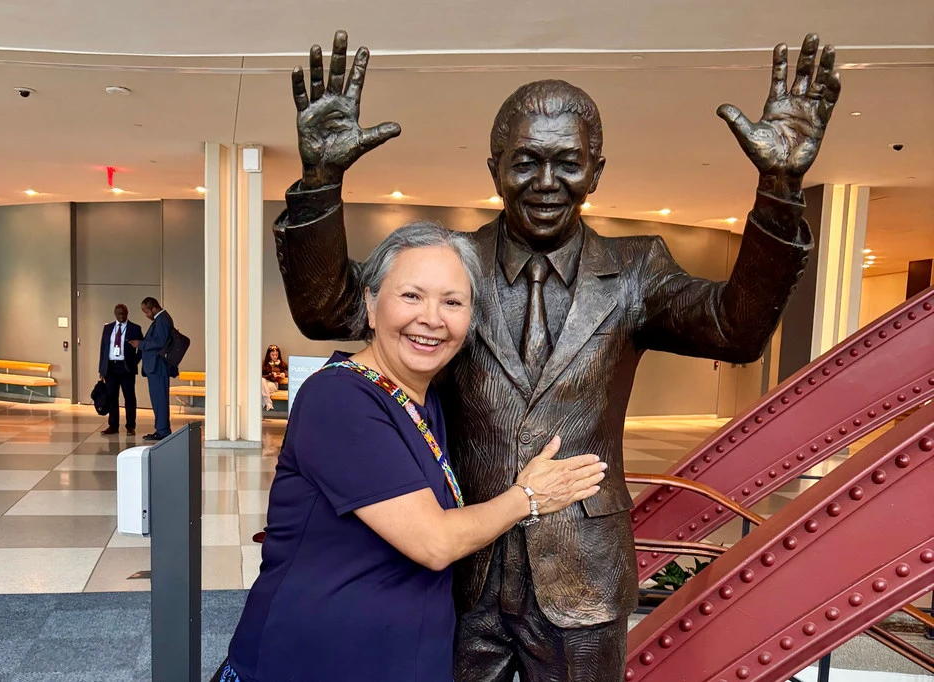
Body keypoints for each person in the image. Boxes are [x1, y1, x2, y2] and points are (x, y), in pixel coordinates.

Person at [274, 31, 840, 681]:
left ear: (596, 169)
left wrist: (780, 188)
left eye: (568, 162)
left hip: (583, 572)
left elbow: (735, 331)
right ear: (494, 166)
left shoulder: (636, 271)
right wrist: (320, 182)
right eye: (526, 160)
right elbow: (328, 309)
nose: (547, 181)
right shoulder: (450, 269)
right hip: (466, 570)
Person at [213, 222, 607, 682]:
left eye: (453, 302)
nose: (432, 319)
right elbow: (434, 542)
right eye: (412, 296)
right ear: (370, 305)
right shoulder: (338, 399)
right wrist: (530, 496)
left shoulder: (422, 400)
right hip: (316, 656)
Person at [130, 297, 176, 441]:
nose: (146, 315)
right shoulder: (161, 319)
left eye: (146, 311)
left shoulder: (162, 319)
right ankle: (160, 428)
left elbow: (160, 341)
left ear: (154, 308)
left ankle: (163, 430)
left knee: (160, 400)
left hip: (158, 367)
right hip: (155, 367)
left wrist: (140, 344)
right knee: (157, 400)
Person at [98, 304, 143, 437]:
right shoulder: (108, 328)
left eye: (124, 313)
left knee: (129, 397)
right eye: (119, 314)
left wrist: (135, 361)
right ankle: (113, 425)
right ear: (115, 314)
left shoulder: (135, 328)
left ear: (127, 313)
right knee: (112, 397)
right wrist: (101, 368)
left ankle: (130, 426)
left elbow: (141, 347)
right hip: (111, 367)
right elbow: (103, 348)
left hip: (126, 367)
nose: (122, 316)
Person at [261, 344, 287, 410]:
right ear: (269, 355)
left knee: (260, 391)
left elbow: (290, 370)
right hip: (264, 383)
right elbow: (260, 375)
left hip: (273, 384)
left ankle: (266, 406)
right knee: (262, 381)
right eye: (273, 355)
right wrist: (270, 375)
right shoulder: (264, 364)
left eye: (276, 355)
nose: (275, 357)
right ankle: (269, 403)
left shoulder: (281, 364)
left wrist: (283, 374)